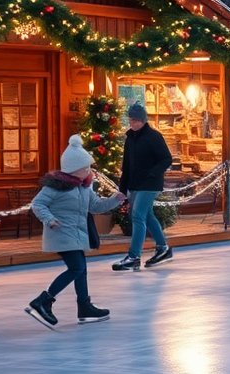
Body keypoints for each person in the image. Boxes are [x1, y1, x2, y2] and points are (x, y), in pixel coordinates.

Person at [25, 136, 127, 328]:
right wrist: (49, 219)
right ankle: (43, 301)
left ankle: (84, 307)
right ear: (73, 168)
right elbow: (38, 204)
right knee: (77, 268)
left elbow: (96, 206)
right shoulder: (55, 187)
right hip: (61, 232)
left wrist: (115, 199)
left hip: (76, 234)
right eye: (85, 167)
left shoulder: (84, 188)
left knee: (81, 270)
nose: (88, 171)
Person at [112, 103, 174, 271]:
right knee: (146, 215)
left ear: (143, 120)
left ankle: (134, 256)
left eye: (136, 120)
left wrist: (153, 173)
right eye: (131, 120)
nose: (133, 123)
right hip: (135, 183)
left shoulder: (153, 136)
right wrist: (123, 189)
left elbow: (166, 159)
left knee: (137, 215)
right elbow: (126, 166)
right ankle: (163, 248)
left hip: (150, 183)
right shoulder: (130, 139)